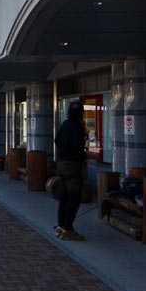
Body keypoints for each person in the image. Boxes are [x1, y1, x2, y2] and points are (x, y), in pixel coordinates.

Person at [54, 100, 87, 240]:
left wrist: (63, 151)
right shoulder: (77, 127)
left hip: (61, 163)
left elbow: (56, 140)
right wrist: (83, 156)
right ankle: (68, 228)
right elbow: (77, 148)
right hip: (72, 165)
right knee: (74, 197)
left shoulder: (65, 124)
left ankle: (61, 226)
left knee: (65, 195)